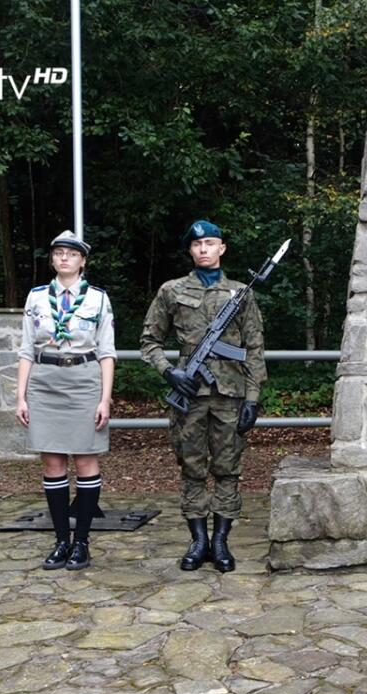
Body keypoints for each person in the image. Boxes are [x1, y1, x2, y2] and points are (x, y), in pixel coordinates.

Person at [140, 220, 267, 572]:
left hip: (230, 395)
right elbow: (149, 342)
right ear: (190, 250)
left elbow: (254, 348)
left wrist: (253, 398)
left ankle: (221, 542)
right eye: (197, 245)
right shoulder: (172, 291)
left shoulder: (241, 293)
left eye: (210, 243)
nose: (204, 249)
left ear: (222, 248)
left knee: (228, 470)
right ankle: (198, 542)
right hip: (190, 395)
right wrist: (169, 372)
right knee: (192, 469)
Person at [15, 231, 116, 571]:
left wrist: (105, 398)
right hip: (45, 383)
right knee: (52, 463)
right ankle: (61, 541)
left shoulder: (98, 299)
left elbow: (107, 353)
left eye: (71, 254)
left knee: (86, 461)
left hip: (84, 380)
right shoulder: (37, 297)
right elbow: (27, 349)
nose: (63, 259)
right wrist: (21, 396)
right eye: (58, 253)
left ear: (82, 261)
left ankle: (82, 543)